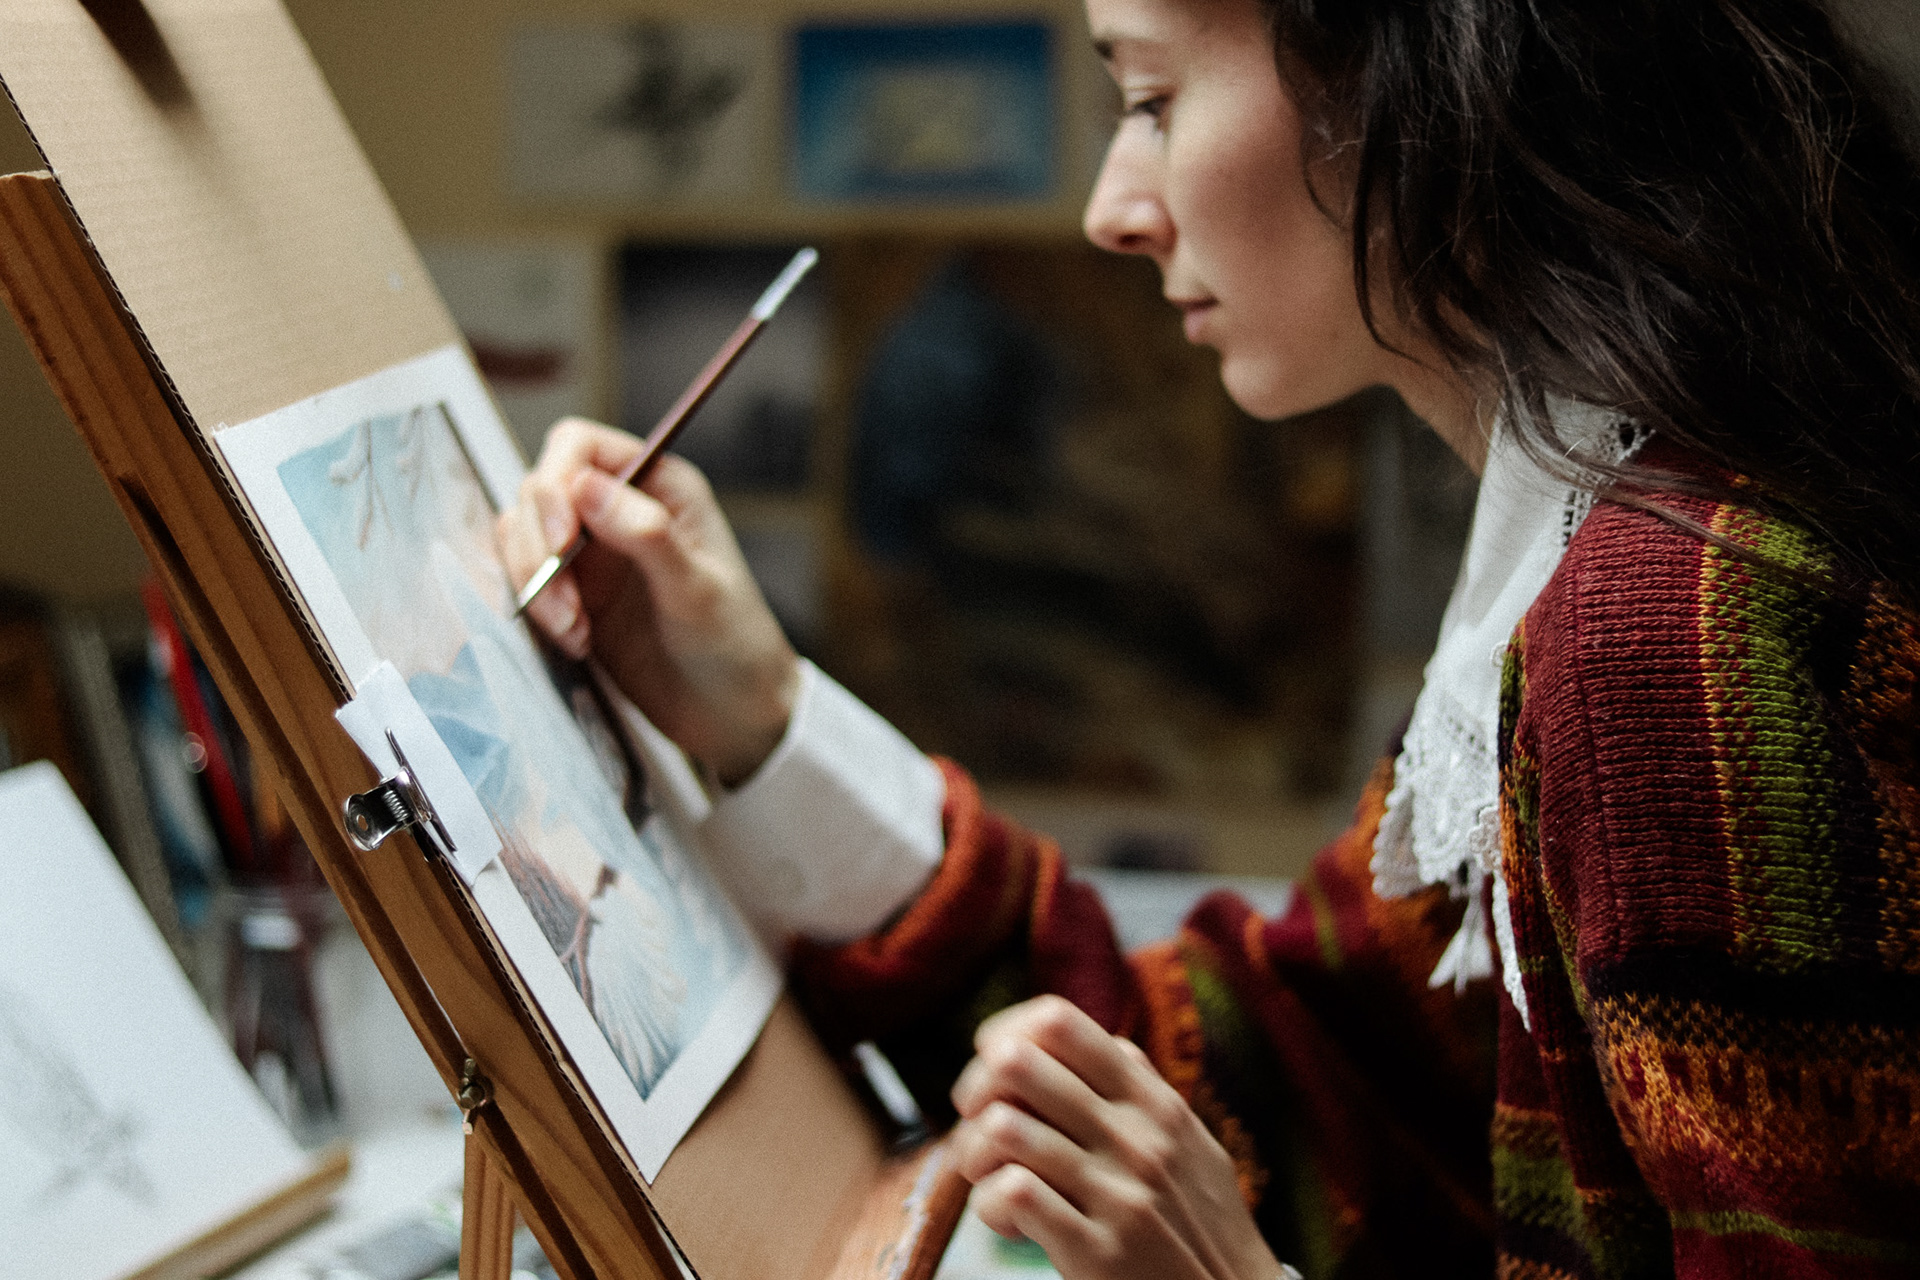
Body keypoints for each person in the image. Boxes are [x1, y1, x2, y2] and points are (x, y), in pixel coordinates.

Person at [496, 0, 1920, 1273]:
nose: (1115, 210)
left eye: (1152, 98)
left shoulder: (1668, 624)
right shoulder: (1631, 532)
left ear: (1412, 69)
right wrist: (758, 716)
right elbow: (1286, 1080)